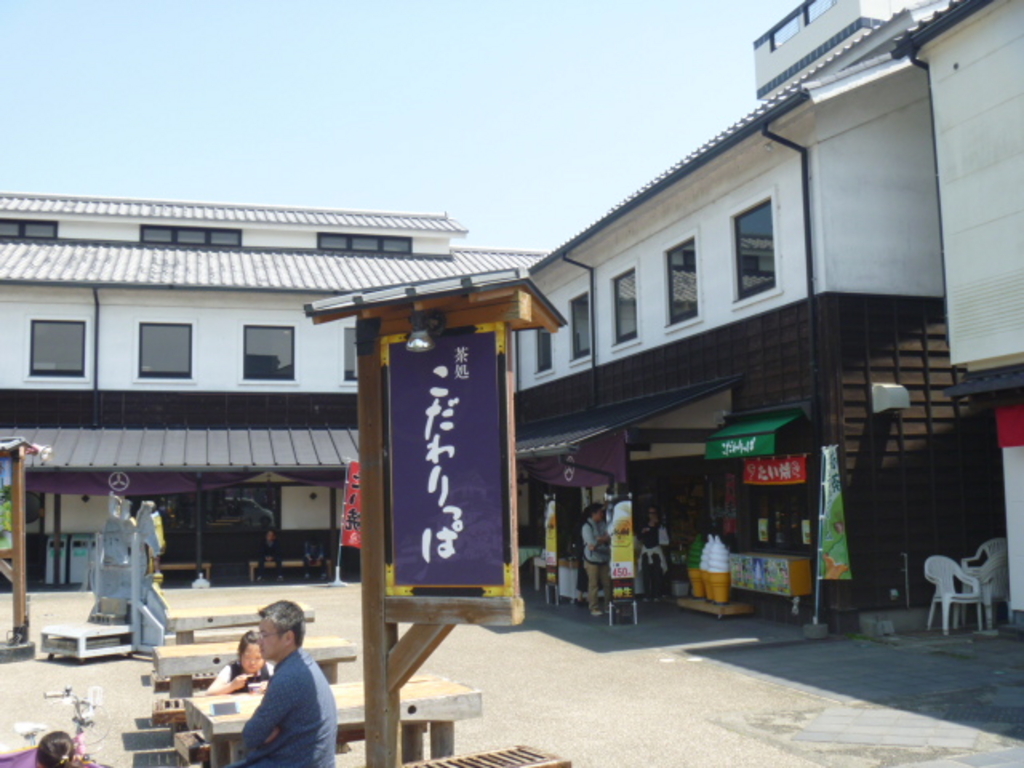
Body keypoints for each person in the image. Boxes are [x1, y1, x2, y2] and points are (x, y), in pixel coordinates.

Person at [226, 600, 337, 768]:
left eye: (264, 635)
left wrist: (267, 732)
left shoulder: (288, 676)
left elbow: (251, 736)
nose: (259, 642)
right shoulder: (304, 663)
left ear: (288, 638)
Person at [206, 630, 274, 696]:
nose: (252, 662)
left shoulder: (269, 670)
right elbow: (210, 692)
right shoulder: (231, 669)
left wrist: (271, 687)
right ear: (240, 655)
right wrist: (232, 686)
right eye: (247, 657)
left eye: (258, 658)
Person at [581, 502, 612, 616]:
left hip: (604, 557)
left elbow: (609, 537)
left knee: (607, 583)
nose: (602, 515)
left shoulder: (603, 524)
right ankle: (593, 607)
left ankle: (609, 605)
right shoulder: (586, 527)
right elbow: (592, 544)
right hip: (592, 559)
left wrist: (600, 539)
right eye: (600, 513)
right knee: (593, 584)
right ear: (593, 514)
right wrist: (602, 539)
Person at [638, 506, 669, 601]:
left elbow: (664, 540)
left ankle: (657, 594)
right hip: (646, 551)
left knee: (657, 573)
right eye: (650, 513)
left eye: (654, 513)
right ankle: (647, 594)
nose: (652, 515)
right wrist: (644, 531)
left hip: (656, 550)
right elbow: (639, 537)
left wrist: (656, 526)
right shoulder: (644, 524)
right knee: (646, 574)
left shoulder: (660, 526)